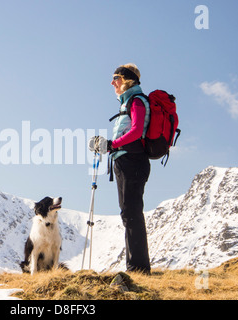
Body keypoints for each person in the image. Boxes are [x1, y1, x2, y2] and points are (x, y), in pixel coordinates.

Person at [107, 63, 151, 274]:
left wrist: (112, 144)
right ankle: (135, 267)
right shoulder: (127, 102)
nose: (112, 82)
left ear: (126, 79)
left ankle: (139, 269)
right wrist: (110, 146)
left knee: (132, 213)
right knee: (128, 213)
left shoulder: (137, 101)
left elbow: (135, 131)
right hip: (124, 161)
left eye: (115, 77)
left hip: (133, 161)